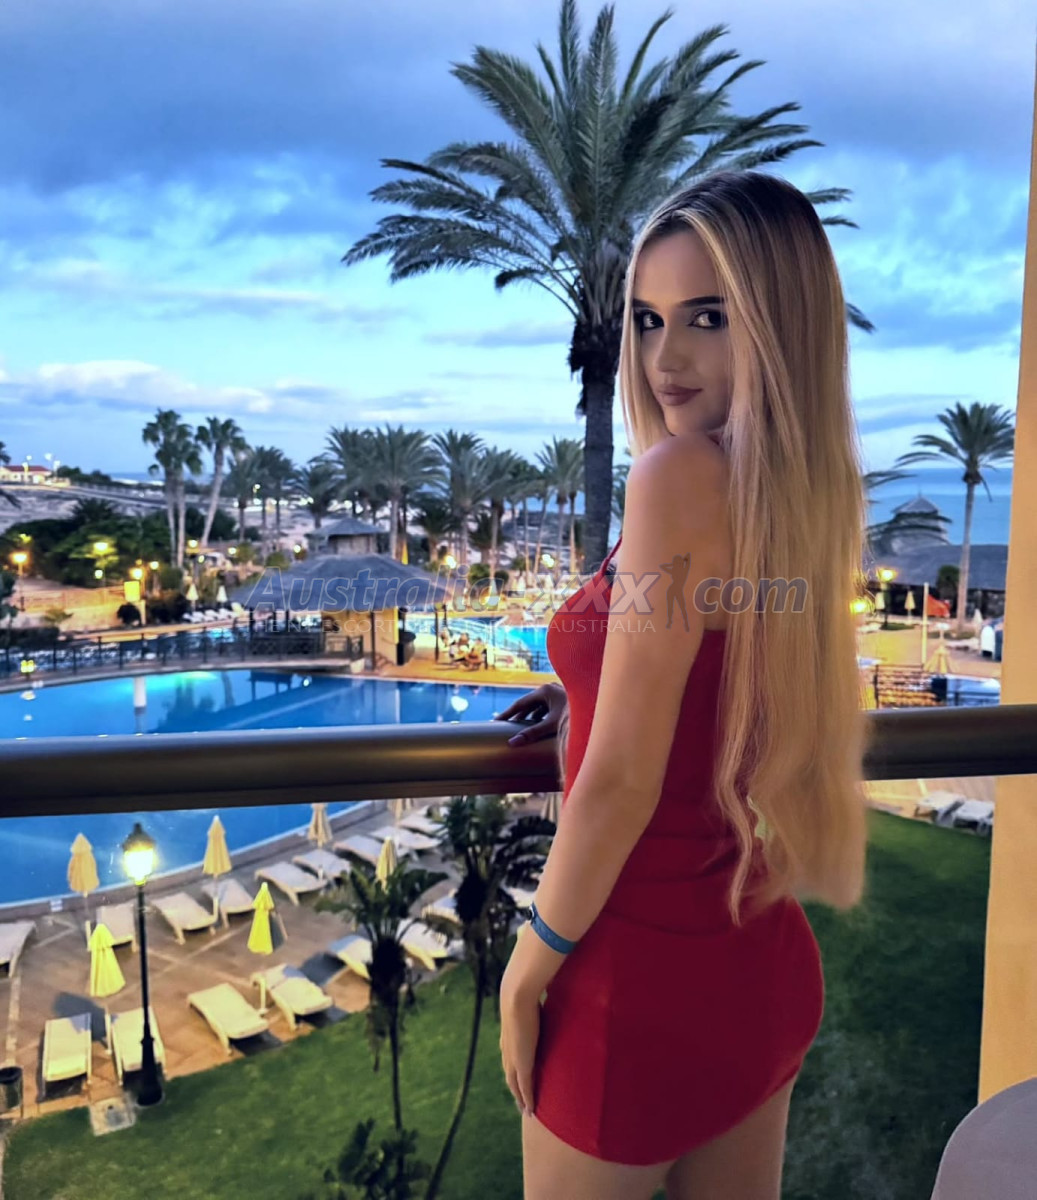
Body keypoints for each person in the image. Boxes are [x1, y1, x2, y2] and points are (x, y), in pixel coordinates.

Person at [493, 169, 871, 1200]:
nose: (665, 359)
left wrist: (530, 965)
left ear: (776, 324)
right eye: (648, 319)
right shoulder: (795, 492)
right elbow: (707, 676)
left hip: (631, 980)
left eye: (707, 317)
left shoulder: (678, 477)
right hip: (753, 961)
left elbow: (620, 780)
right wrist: (585, 689)